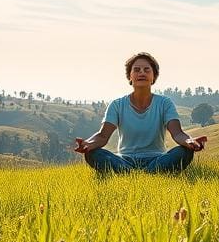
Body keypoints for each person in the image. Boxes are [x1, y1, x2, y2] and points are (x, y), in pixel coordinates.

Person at [75, 52, 206, 175]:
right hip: (125, 161)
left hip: (157, 159)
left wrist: (189, 141)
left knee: (184, 152)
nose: (141, 73)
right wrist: (88, 144)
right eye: (136, 70)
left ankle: (131, 175)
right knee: (93, 154)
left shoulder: (165, 103)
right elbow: (103, 136)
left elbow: (177, 133)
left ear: (153, 76)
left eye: (146, 70)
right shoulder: (117, 105)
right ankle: (148, 174)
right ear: (130, 76)